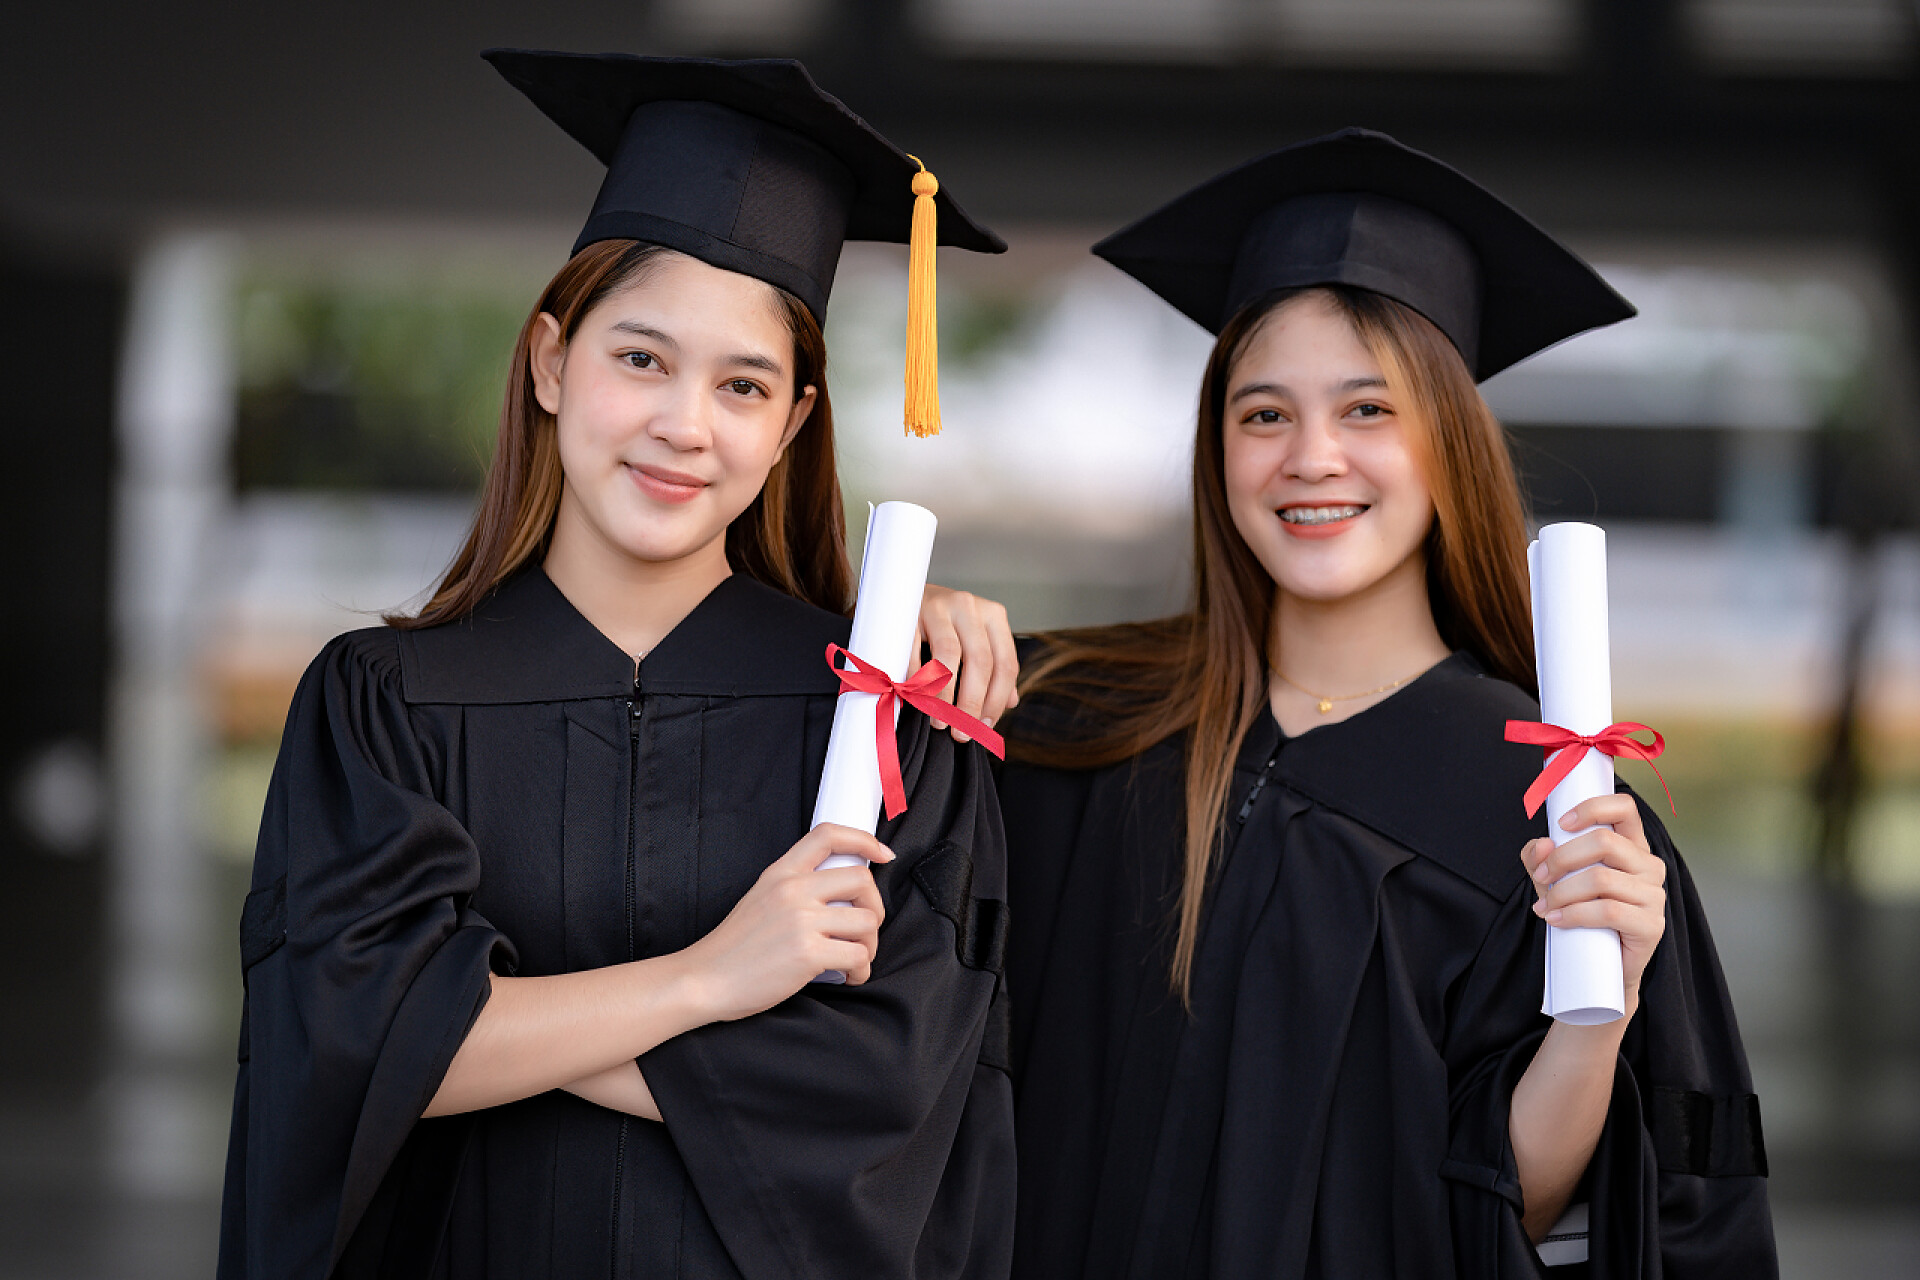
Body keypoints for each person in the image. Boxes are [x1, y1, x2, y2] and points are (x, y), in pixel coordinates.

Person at [218, 50, 1019, 1280]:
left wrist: (467, 1028)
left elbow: (882, 1087)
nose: (684, 425)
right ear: (551, 361)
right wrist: (718, 978)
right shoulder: (385, 702)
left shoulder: (878, 716)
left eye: (742, 384)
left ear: (793, 422)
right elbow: (339, 1040)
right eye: (640, 357)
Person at [990, 130, 1776, 1277]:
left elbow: (1515, 1206)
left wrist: (1595, 1012)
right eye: (1264, 414)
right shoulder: (1068, 717)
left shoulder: (1544, 802)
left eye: (1368, 410)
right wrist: (931, 632)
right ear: (1218, 449)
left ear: (1447, 444)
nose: (1312, 456)